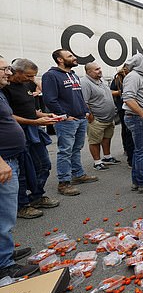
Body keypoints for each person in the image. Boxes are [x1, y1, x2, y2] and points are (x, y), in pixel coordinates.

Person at [4, 58, 59, 219]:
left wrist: (45, 115)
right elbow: (8, 116)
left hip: (34, 131)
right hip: (18, 133)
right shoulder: (5, 89)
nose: (31, 80)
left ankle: (36, 196)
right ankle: (22, 205)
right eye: (28, 76)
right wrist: (34, 121)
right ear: (17, 72)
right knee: (21, 171)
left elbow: (30, 110)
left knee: (43, 165)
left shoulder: (27, 85)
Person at [0, 55, 38, 278]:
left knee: (6, 214)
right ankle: (5, 264)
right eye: (4, 69)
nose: (8, 73)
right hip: (3, 162)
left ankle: (5, 253)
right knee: (4, 215)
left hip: (10, 158)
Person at [42, 49, 98, 196]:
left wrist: (85, 111)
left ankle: (78, 174)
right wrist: (64, 115)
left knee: (76, 148)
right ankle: (64, 183)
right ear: (60, 60)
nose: (74, 58)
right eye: (70, 56)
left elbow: (78, 96)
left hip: (80, 118)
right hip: (67, 121)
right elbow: (49, 99)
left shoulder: (73, 75)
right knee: (65, 151)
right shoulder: (51, 75)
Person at [122, 53, 143, 193]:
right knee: (142, 152)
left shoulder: (140, 76)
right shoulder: (133, 77)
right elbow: (128, 98)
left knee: (139, 151)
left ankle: (137, 181)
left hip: (138, 118)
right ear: (141, 62)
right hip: (137, 118)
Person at [81, 62, 119, 171]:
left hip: (108, 118)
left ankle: (107, 157)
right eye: (97, 69)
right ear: (89, 72)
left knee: (107, 138)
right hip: (97, 119)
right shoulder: (85, 83)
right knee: (95, 141)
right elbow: (84, 102)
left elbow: (105, 93)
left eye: (100, 68)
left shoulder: (100, 80)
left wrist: (118, 92)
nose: (100, 71)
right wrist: (91, 118)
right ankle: (97, 162)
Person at [110, 65, 134, 167]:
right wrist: (120, 92)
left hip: (133, 108)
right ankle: (127, 149)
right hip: (123, 108)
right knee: (126, 130)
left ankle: (132, 151)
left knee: (131, 132)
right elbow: (111, 92)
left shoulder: (134, 77)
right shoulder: (117, 80)